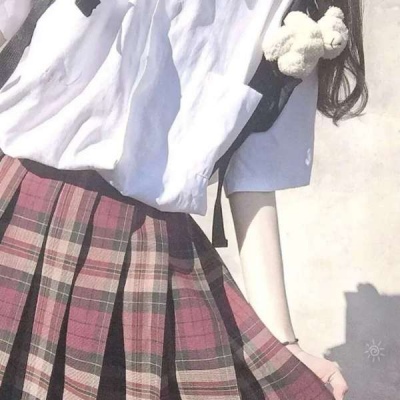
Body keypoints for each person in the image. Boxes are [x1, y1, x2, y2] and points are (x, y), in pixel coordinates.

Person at [0, 0, 367, 399]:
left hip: (149, 253)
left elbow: (253, 175)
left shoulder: (302, 18)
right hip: (18, 204)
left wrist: (284, 341)